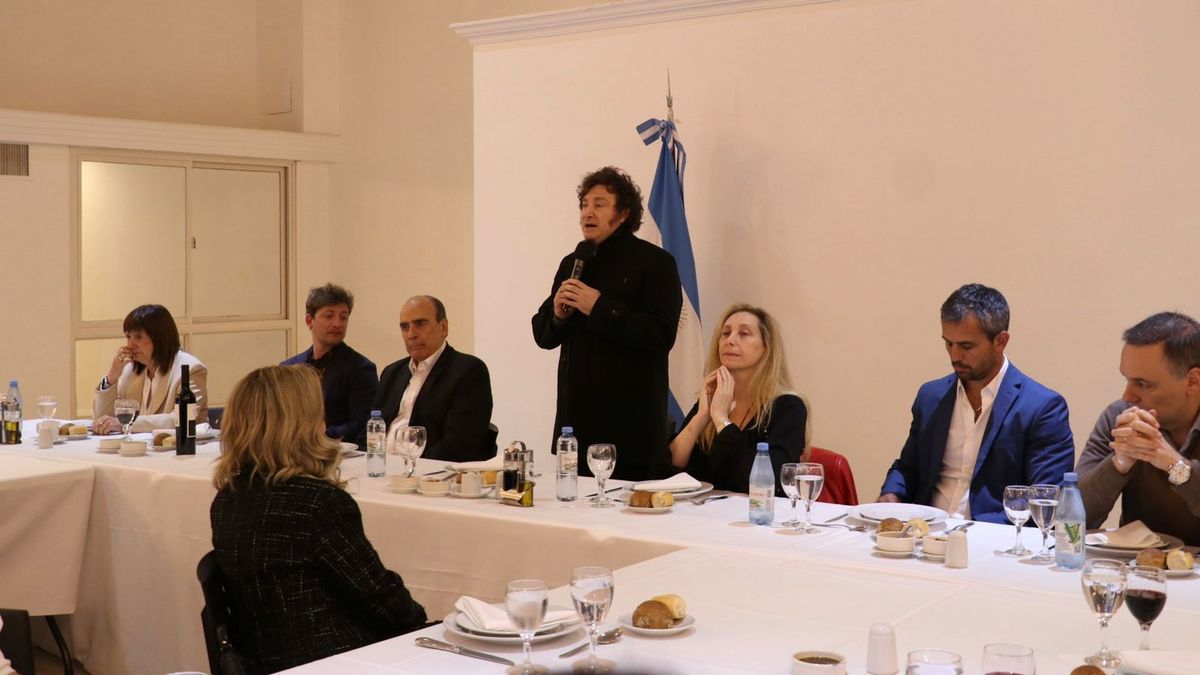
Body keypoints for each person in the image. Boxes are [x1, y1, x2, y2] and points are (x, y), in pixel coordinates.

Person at [210, 366, 427, 674]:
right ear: (300, 424)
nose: (324, 423)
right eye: (318, 413)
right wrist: (424, 626)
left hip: (264, 659)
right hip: (336, 660)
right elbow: (381, 598)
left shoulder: (226, 499)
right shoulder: (316, 503)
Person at [532, 166, 682, 481]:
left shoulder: (655, 263)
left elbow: (660, 334)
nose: (588, 212)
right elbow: (543, 335)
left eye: (599, 204)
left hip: (630, 435)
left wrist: (598, 306)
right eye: (584, 205)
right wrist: (558, 316)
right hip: (575, 430)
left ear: (623, 213)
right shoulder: (573, 263)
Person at [878, 284, 1075, 524]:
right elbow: (908, 467)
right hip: (927, 534)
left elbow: (1046, 502)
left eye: (966, 346)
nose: (954, 355)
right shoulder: (931, 397)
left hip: (993, 543)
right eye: (948, 343)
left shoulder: (1042, 408)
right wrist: (891, 494)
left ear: (1000, 341)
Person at [1077, 312, 1200, 545]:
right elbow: (1073, 519)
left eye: (1143, 384)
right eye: (1127, 379)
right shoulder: (1118, 418)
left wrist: (1173, 464)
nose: (1127, 395)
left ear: (1192, 381)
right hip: (1137, 568)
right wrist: (1118, 464)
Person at [668, 304, 810, 496]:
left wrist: (721, 420)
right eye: (725, 334)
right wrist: (702, 416)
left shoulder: (788, 407)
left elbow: (769, 482)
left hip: (762, 519)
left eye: (743, 333)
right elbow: (667, 471)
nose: (730, 340)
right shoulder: (714, 397)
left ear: (766, 348)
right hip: (706, 517)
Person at [374, 295, 496, 462]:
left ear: (443, 327)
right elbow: (371, 429)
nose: (411, 334)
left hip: (431, 476)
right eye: (405, 327)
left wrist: (406, 467)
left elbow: (458, 445)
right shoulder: (392, 372)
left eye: (420, 324)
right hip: (380, 471)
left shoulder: (468, 371)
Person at [281, 283, 377, 447]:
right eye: (329, 316)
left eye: (343, 317)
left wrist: (320, 435)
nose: (337, 324)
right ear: (309, 320)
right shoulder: (287, 368)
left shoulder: (360, 368)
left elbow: (362, 422)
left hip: (338, 453)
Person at [93, 304, 208, 434]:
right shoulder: (129, 370)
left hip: (180, 450)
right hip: (137, 449)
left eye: (138, 337)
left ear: (160, 338)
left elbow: (183, 418)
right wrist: (111, 376)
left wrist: (126, 423)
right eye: (128, 337)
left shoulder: (190, 368)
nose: (130, 345)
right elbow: (102, 419)